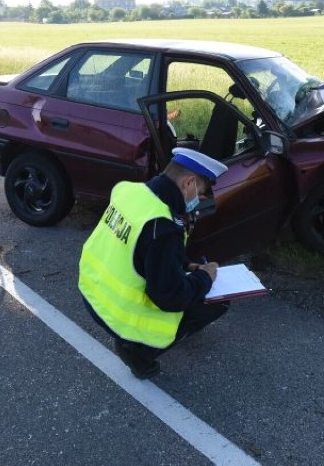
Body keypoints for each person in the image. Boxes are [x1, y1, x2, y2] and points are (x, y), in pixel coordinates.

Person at [78, 148, 229, 379]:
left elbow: (139, 248)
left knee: (191, 285)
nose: (200, 201)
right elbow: (170, 297)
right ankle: (138, 350)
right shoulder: (163, 226)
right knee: (218, 302)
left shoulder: (130, 191)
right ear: (188, 183)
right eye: (201, 193)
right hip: (121, 318)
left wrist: (187, 266)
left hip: (92, 294)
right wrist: (205, 278)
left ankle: (138, 341)